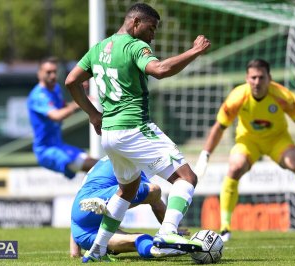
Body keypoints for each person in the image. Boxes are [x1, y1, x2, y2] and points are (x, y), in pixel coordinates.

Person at [65, 3, 211, 263]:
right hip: (134, 128)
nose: (152, 35)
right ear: (135, 23)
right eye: (151, 28)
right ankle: (168, 232)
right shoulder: (135, 47)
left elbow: (71, 81)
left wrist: (93, 114)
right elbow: (161, 70)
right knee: (187, 178)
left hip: (109, 134)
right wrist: (194, 51)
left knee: (127, 190)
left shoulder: (99, 48)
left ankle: (98, 249)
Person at [194, 59, 295, 242]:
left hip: (277, 140)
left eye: (261, 77)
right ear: (247, 79)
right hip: (248, 140)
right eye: (253, 77)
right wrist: (205, 155)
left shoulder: (283, 96)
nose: (257, 82)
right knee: (235, 168)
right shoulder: (237, 97)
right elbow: (219, 127)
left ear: (269, 78)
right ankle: (225, 228)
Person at [70, 156, 187, 260]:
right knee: (154, 190)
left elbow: (78, 211)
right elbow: (156, 204)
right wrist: (172, 229)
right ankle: (108, 205)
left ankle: (170, 249)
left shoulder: (112, 157)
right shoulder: (131, 157)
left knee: (142, 241)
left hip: (82, 232)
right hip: (94, 202)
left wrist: (75, 251)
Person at [27, 57, 98, 179]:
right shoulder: (38, 95)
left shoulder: (56, 89)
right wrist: (79, 103)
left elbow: (65, 108)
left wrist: (80, 91)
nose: (53, 75)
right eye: (48, 72)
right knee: (96, 166)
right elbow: (56, 115)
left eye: (55, 72)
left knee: (95, 166)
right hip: (46, 151)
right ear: (39, 74)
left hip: (59, 145)